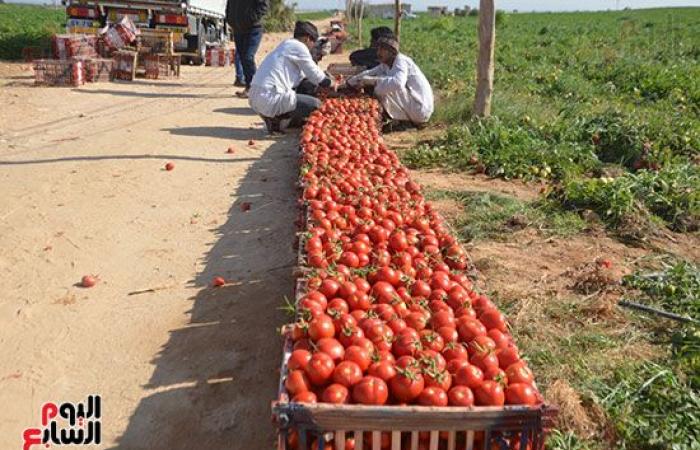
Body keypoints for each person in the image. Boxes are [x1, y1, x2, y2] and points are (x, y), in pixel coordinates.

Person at [248, 21, 334, 133]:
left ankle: (277, 119)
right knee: (315, 105)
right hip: (269, 97)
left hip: (257, 95)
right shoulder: (299, 47)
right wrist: (332, 84)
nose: (313, 46)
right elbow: (315, 74)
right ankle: (276, 118)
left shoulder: (286, 45)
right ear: (307, 39)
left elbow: (306, 76)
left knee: (307, 86)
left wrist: (324, 76)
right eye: (313, 41)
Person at [347, 36, 434, 130]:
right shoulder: (386, 64)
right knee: (379, 81)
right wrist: (348, 83)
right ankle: (402, 120)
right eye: (378, 49)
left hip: (419, 108)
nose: (378, 53)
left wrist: (371, 81)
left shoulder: (401, 61)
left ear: (391, 52)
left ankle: (403, 121)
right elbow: (369, 73)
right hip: (412, 106)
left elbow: (398, 83)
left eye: (382, 50)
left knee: (382, 85)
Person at [226, 0, 269, 98]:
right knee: (242, 57)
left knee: (248, 57)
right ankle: (249, 87)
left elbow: (263, 6)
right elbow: (229, 5)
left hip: (253, 28)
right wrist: (230, 19)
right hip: (238, 29)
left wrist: (252, 18)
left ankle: (255, 88)